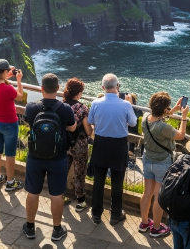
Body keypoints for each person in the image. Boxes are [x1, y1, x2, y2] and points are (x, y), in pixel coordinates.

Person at [22, 73, 77, 242]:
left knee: (33, 192)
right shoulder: (65, 109)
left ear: (42, 88)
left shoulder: (32, 107)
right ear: (58, 88)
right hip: (58, 157)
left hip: (35, 156)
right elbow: (72, 128)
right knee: (56, 194)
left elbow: (28, 123)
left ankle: (30, 227)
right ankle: (57, 230)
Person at [87, 73, 137, 225]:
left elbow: (90, 120)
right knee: (117, 181)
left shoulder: (96, 103)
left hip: (100, 143)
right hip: (118, 145)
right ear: (117, 86)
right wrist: (129, 103)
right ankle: (115, 214)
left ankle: (96, 213)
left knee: (98, 180)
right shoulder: (125, 105)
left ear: (103, 87)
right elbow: (133, 123)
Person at [140, 92, 188, 238]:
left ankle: (144, 222)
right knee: (158, 196)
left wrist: (173, 110)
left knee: (147, 193)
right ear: (164, 108)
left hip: (147, 159)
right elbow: (181, 135)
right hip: (162, 162)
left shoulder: (145, 118)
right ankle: (156, 228)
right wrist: (184, 117)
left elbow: (158, 116)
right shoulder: (164, 127)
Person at [0, 59, 25, 191]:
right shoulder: (8, 89)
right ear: (5, 72)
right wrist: (18, 80)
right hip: (9, 124)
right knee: (10, 154)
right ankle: (10, 182)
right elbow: (20, 97)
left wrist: (6, 75)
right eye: (7, 71)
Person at [63, 78, 92, 212]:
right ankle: (80, 200)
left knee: (63, 169)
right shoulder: (82, 108)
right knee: (80, 172)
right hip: (79, 145)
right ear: (79, 93)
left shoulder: (62, 105)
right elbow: (88, 130)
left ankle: (60, 195)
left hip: (65, 143)